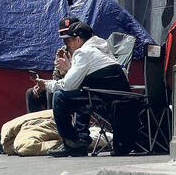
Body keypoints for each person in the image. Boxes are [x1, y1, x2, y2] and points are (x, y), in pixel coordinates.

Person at [33, 21, 130, 157]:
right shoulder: (103, 50)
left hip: (104, 101)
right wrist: (70, 68)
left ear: (78, 40)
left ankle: (73, 143)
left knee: (60, 96)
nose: (67, 44)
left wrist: (46, 85)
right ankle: (81, 139)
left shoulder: (83, 52)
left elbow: (68, 85)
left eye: (69, 41)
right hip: (120, 100)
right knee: (81, 94)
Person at [25, 15, 80, 113]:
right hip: (62, 87)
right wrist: (42, 85)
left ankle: (54, 123)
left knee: (53, 92)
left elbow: (79, 79)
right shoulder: (62, 51)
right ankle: (36, 125)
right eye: (64, 38)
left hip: (77, 91)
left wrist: (68, 68)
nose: (66, 41)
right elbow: (56, 78)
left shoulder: (83, 52)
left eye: (69, 37)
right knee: (31, 93)